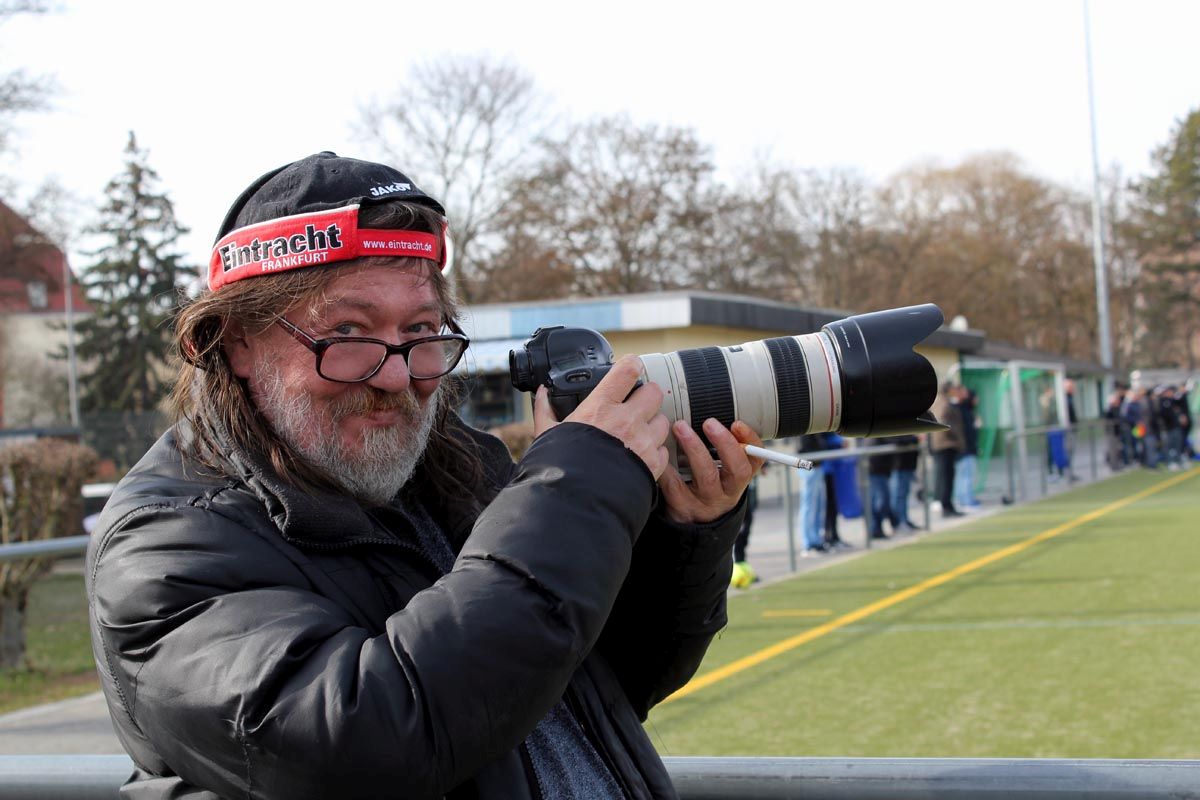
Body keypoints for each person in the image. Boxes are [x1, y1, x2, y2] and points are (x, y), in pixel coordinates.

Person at [85, 152, 763, 799]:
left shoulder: (459, 471)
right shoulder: (164, 544)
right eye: (348, 333)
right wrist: (576, 490)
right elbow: (366, 743)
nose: (395, 374)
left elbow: (592, 682)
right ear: (236, 342)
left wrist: (684, 534)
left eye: (421, 331)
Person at [931, 382, 965, 518]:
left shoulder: (943, 402)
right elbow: (943, 422)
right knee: (945, 477)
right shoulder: (943, 403)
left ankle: (947, 504)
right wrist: (955, 435)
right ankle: (945, 506)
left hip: (945, 445)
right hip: (945, 445)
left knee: (947, 476)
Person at [952, 388, 982, 509]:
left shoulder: (967, 411)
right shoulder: (961, 410)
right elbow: (965, 432)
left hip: (966, 448)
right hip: (964, 449)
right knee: (965, 475)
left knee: (964, 475)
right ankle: (966, 500)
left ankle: (964, 499)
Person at [888, 434, 921, 531]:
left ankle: (904, 520)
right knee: (898, 495)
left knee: (904, 494)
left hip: (907, 463)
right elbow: (894, 439)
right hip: (899, 464)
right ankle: (899, 522)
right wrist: (914, 439)